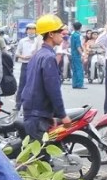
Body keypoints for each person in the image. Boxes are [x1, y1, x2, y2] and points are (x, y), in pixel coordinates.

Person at [21, 14, 71, 159]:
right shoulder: (49, 57)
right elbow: (53, 90)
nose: (62, 35)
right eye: (59, 32)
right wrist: (62, 115)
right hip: (37, 115)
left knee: (35, 157)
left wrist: (51, 115)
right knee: (41, 159)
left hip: (34, 112)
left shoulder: (38, 55)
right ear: (50, 34)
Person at [14, 23, 38, 110]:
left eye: (33, 29)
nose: (31, 31)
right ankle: (18, 104)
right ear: (26, 30)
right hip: (25, 64)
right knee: (22, 85)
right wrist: (22, 57)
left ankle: (33, 104)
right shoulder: (22, 41)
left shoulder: (38, 41)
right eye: (29, 29)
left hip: (35, 65)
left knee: (34, 85)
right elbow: (17, 53)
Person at [70, 22, 86, 89]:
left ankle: (75, 84)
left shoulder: (73, 35)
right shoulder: (78, 35)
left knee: (75, 69)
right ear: (80, 27)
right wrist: (82, 54)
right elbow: (78, 46)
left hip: (73, 54)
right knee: (79, 69)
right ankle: (80, 84)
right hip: (77, 54)